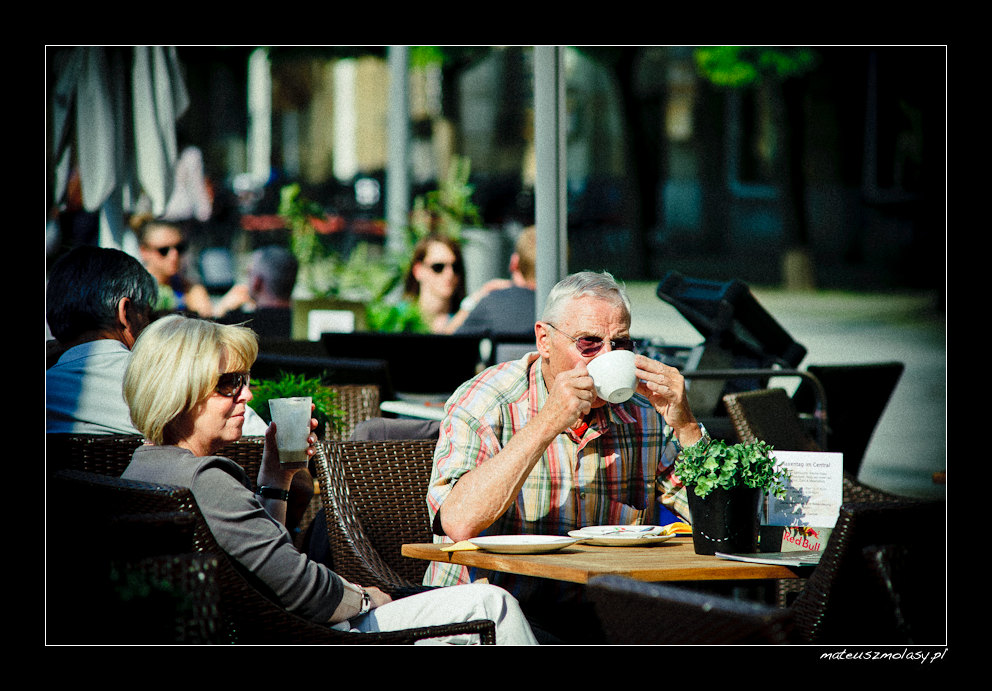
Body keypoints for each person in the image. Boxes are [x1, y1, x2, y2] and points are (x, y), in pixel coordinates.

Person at [120, 314, 537, 645]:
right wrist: (369, 595)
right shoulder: (207, 479)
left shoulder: (140, 469)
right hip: (307, 634)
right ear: (181, 392)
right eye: (229, 384)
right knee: (491, 604)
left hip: (256, 629)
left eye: (244, 380)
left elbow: (263, 563)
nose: (246, 395)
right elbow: (302, 590)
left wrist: (276, 474)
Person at [424, 271, 709, 642]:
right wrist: (546, 424)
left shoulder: (644, 415)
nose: (608, 356)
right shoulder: (487, 400)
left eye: (621, 343)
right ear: (544, 340)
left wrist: (685, 425)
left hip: (599, 617)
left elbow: (719, 522)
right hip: (489, 617)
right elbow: (458, 523)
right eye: (589, 343)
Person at [46, 246, 157, 435]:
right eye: (148, 315)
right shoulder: (161, 383)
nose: (150, 325)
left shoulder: (50, 389)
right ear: (126, 313)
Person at [454, 226, 537, 337]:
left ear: (514, 262)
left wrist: (473, 300)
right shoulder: (563, 307)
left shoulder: (494, 303)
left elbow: (450, 343)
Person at [132, 213, 215, 317]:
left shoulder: (189, 289)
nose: (174, 256)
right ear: (144, 251)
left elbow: (206, 323)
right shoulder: (134, 291)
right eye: (163, 250)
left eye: (179, 248)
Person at [216, 245, 298, 339]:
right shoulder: (305, 323)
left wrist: (222, 309)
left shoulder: (239, 325)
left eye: (249, 273)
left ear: (257, 282)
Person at [402, 233, 468, 333]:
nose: (449, 274)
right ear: (418, 271)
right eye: (438, 267)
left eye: (455, 267)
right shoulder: (398, 318)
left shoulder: (468, 321)